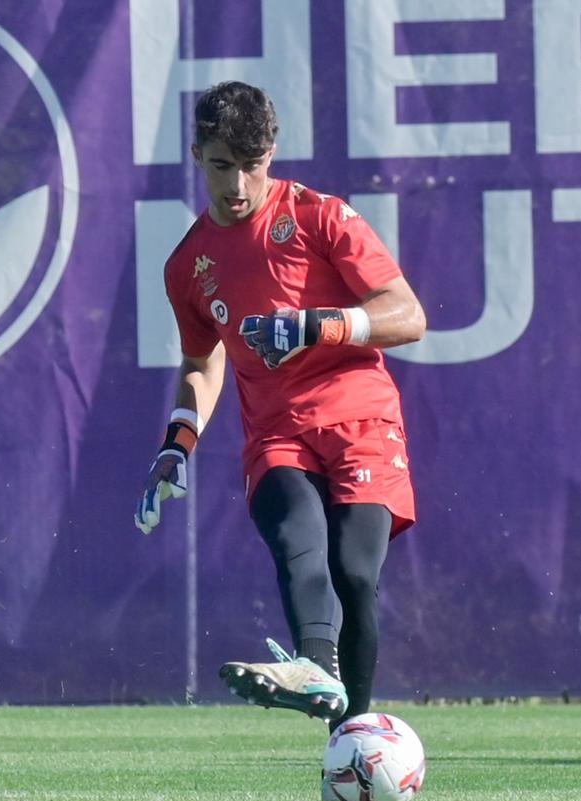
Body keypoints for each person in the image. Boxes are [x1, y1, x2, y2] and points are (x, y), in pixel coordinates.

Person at [135, 81, 425, 734]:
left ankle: (347, 733)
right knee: (298, 539)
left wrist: (316, 325)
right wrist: (176, 441)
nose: (237, 183)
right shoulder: (188, 265)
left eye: (252, 164)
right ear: (195, 155)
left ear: (272, 154)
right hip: (277, 434)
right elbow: (202, 362)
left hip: (361, 420)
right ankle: (315, 670)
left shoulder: (323, 218)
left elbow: (407, 315)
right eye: (219, 165)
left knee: (354, 573)